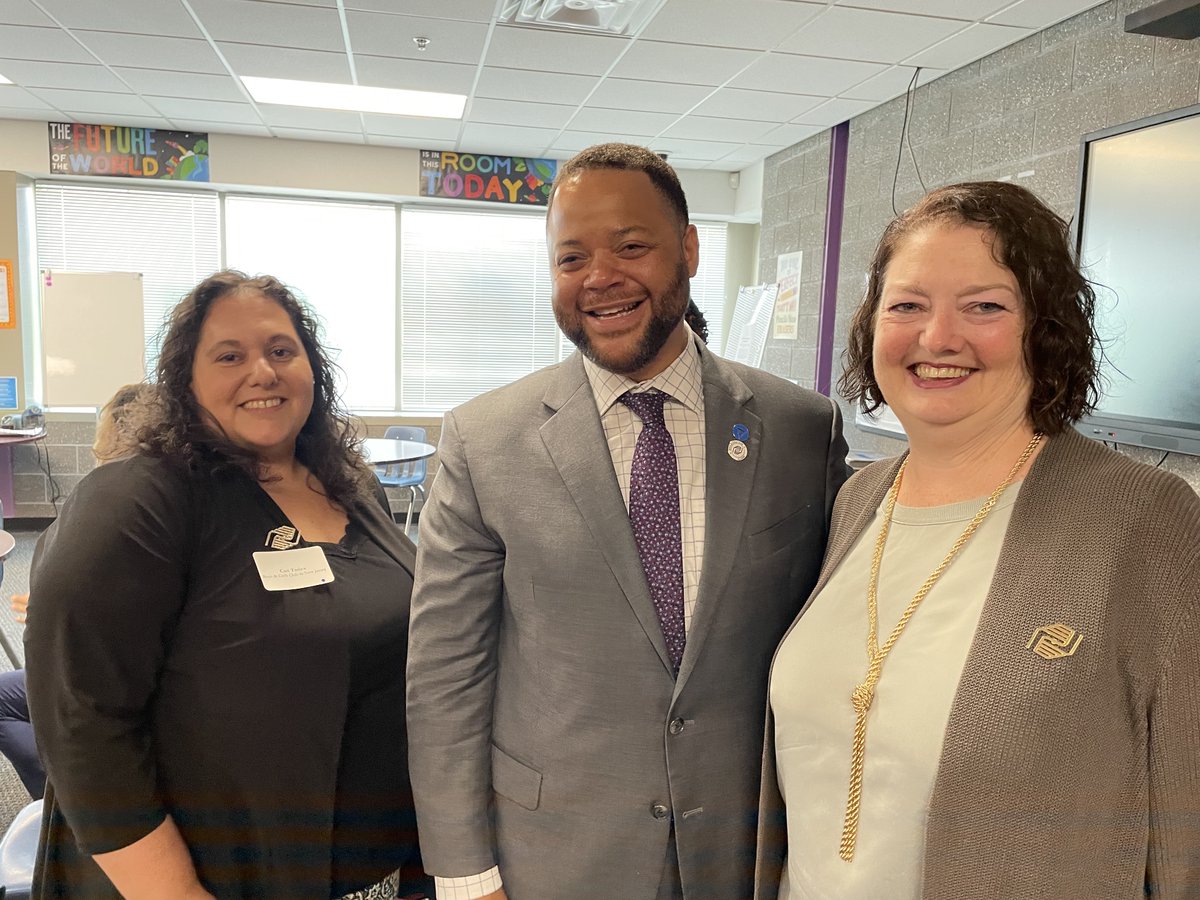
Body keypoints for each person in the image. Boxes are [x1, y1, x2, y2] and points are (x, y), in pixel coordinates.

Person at [406, 143, 849, 900]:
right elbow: (447, 672)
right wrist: (462, 870)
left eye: (632, 246)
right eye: (570, 257)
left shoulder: (800, 429)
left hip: (745, 854)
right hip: (553, 854)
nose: (600, 277)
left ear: (689, 248)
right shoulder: (485, 440)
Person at [755, 181, 1200, 899]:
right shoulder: (860, 500)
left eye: (984, 306)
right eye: (907, 306)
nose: (937, 339)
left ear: (1045, 327)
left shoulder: (1145, 520)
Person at [26, 271, 432, 899]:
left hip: (365, 865)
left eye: (280, 350)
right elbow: (82, 722)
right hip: (209, 874)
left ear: (311, 368)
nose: (262, 373)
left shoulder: (350, 484)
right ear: (184, 382)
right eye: (229, 356)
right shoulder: (139, 502)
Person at [1, 383, 162, 802]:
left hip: (108, 688)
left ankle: (67, 801)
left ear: (115, 435)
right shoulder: (157, 499)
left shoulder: (117, 512)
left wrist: (63, 613)